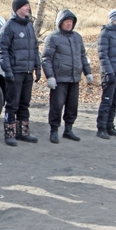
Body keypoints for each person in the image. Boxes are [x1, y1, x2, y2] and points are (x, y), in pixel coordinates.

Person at [41, 9, 92, 143]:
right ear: (60, 22)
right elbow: (46, 58)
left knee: (72, 105)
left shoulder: (77, 37)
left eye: (71, 22)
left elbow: (82, 56)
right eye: (66, 21)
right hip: (59, 79)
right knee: (57, 106)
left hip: (74, 78)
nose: (69, 24)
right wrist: (50, 76)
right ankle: (54, 131)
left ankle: (68, 129)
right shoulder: (52, 38)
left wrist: (88, 72)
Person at [0, 0, 41, 146]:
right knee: (12, 104)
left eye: (29, 6)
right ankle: (9, 134)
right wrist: (8, 71)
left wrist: (37, 67)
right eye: (26, 6)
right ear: (18, 9)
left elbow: (35, 48)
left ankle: (23, 132)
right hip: (15, 72)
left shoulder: (29, 25)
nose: (28, 8)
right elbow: (2, 50)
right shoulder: (9, 26)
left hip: (28, 71)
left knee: (25, 103)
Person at [95, 8, 116, 139]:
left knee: (115, 101)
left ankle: (110, 125)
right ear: (113, 19)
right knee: (107, 101)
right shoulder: (105, 33)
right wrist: (108, 72)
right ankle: (101, 128)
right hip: (109, 73)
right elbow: (102, 55)